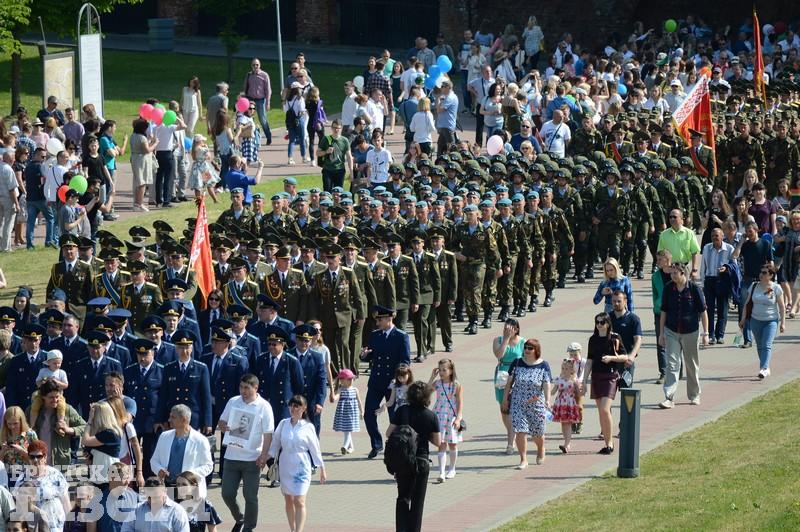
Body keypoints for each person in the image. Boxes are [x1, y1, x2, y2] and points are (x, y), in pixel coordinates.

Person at [218, 374, 274, 532]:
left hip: (252, 458)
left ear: (256, 388)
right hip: (231, 456)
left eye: (247, 388)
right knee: (227, 493)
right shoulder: (233, 401)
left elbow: (268, 434)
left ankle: (249, 527)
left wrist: (264, 455)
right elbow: (221, 421)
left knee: (250, 496)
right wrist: (223, 426)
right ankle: (239, 518)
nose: (243, 391)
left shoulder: (264, 406)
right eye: (241, 387)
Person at [267, 395, 326, 532]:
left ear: (304, 408)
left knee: (299, 500)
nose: (292, 409)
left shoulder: (308, 427)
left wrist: (322, 468)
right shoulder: (283, 424)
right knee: (288, 499)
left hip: (301, 466)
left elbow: (315, 449)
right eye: (291, 406)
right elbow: (275, 444)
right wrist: (264, 458)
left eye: (296, 406)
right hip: (286, 464)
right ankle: (292, 529)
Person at [386, 381, 440, 532]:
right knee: (417, 502)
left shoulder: (402, 410)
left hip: (403, 461)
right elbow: (438, 442)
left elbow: (388, 433)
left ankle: (401, 529)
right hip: (421, 461)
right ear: (427, 397)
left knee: (402, 497)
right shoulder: (431, 416)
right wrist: (424, 435)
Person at [360, 305, 411, 459]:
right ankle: (376, 444)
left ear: (389, 319)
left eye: (380, 320)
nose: (377, 323)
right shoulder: (375, 335)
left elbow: (405, 361)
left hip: (393, 384)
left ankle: (396, 445)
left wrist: (398, 377)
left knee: (394, 416)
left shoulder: (401, 336)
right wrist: (364, 355)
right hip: (376, 381)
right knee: (369, 414)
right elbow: (371, 354)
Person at [658, 262, 708, 409]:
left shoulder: (694, 289)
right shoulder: (668, 288)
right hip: (671, 331)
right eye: (671, 273)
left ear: (683, 273)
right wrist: (661, 333)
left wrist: (706, 333)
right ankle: (669, 397)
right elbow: (663, 311)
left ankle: (694, 395)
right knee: (672, 364)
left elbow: (703, 312)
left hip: (691, 332)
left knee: (691, 365)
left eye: (675, 273)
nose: (672, 276)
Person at [501, 338, 551, 468]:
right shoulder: (517, 362)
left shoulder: (543, 365)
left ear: (536, 350)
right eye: (525, 347)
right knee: (520, 430)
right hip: (518, 402)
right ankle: (523, 459)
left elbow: (546, 384)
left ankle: (541, 449)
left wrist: (547, 400)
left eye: (530, 348)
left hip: (536, 403)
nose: (527, 350)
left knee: (538, 432)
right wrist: (505, 399)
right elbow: (509, 383)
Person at [581, 313, 626, 453]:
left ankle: (610, 443)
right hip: (596, 376)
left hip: (610, 376)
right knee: (601, 412)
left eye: (602, 322)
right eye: (597, 322)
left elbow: (625, 356)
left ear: (608, 323)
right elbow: (589, 361)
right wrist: (584, 380)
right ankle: (607, 444)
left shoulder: (615, 337)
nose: (599, 325)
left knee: (605, 409)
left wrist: (611, 358)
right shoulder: (593, 339)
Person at [150, 404, 213, 495]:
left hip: (189, 490)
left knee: (186, 505)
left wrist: (189, 475)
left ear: (184, 419)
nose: (169, 420)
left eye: (173, 417)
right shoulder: (164, 436)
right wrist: (159, 470)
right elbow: (154, 460)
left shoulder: (200, 440)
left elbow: (208, 466)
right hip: (167, 488)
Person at [733, 221, 774, 349]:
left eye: (750, 231)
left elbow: (771, 262)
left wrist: (770, 279)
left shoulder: (765, 244)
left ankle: (763, 335)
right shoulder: (745, 245)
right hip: (747, 280)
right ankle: (747, 339)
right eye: (746, 231)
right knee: (744, 308)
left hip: (762, 281)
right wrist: (741, 241)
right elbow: (734, 255)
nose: (748, 233)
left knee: (763, 307)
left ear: (756, 230)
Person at [12, 439, 70, 531]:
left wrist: (70, 524)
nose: (35, 460)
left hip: (56, 524)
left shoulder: (55, 474)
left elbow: (65, 502)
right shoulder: (22, 479)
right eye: (32, 457)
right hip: (35, 526)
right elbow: (18, 506)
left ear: (45, 457)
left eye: (39, 456)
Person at [740, 264, 785, 379]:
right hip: (755, 320)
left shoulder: (776, 288)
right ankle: (766, 367)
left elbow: (781, 306)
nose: (761, 275)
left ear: (771, 275)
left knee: (766, 345)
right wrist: (743, 318)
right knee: (760, 346)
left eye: (764, 273)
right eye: (761, 272)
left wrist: (783, 323)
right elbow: (747, 303)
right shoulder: (754, 286)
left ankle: (764, 368)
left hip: (771, 321)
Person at [491, 318, 524, 454]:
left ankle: (510, 443)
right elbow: (499, 355)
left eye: (509, 328)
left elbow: (527, 358)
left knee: (512, 409)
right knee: (504, 408)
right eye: (505, 328)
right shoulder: (498, 340)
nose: (506, 330)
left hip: (516, 374)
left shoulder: (523, 342)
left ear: (516, 329)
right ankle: (512, 432)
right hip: (502, 375)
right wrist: (506, 339)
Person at [429, 358, 463, 482]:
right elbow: (425, 392)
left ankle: (452, 469)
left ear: (451, 370)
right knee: (441, 444)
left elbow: (460, 402)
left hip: (451, 416)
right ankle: (441, 472)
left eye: (444, 370)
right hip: (439, 416)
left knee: (453, 444)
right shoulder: (437, 383)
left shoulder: (456, 385)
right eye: (440, 370)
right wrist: (432, 377)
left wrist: (458, 418)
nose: (442, 373)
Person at [700, 228, 735, 344]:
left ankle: (720, 335)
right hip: (710, 280)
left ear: (722, 236)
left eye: (717, 235)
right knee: (709, 309)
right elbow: (703, 266)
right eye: (713, 236)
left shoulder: (729, 249)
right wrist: (703, 282)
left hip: (723, 280)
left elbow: (734, 266)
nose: (714, 238)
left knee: (722, 309)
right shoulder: (706, 248)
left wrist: (726, 269)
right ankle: (710, 335)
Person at [122, 476, 190, 532]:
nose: (153, 501)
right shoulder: (136, 510)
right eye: (149, 498)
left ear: (165, 491)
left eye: (157, 497)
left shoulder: (177, 511)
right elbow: (126, 529)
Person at [81, 401, 122, 485]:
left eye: (93, 415)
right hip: (98, 476)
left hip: (109, 478)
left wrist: (89, 421)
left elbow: (85, 440)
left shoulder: (110, 433)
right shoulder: (99, 433)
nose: (92, 418)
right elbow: (89, 456)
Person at [609, 290, 642, 383]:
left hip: (626, 360)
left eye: (619, 301)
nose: (616, 303)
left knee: (626, 389)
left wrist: (632, 356)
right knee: (608, 390)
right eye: (614, 301)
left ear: (625, 301)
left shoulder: (633, 319)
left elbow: (638, 339)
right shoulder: (607, 318)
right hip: (610, 359)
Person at [658, 209, 701, 280]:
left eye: (674, 217)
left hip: (684, 268)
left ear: (681, 219)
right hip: (669, 269)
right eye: (670, 217)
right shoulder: (664, 234)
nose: (672, 219)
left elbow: (695, 252)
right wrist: (663, 268)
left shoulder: (689, 233)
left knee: (684, 287)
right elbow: (660, 253)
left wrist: (694, 270)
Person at [551, 358, 581, 453]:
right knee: (563, 424)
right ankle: (566, 442)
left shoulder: (574, 380)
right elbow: (553, 392)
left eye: (566, 369)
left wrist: (581, 390)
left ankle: (567, 444)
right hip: (560, 404)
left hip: (570, 404)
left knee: (568, 424)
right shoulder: (559, 379)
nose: (564, 370)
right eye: (563, 368)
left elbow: (579, 393)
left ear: (572, 370)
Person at [0, 406, 37, 483]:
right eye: (9, 424)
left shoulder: (30, 435)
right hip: (7, 475)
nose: (12, 427)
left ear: (21, 421)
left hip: (26, 475)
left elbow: (38, 458)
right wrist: (3, 451)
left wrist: (21, 451)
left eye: (15, 423)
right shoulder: (3, 435)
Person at [331, 368, 362, 454]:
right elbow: (336, 397)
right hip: (343, 413)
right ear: (342, 380)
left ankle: (345, 446)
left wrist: (362, 411)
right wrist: (333, 395)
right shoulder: (341, 389)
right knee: (347, 430)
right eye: (349, 379)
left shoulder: (355, 390)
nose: (351, 380)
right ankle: (351, 447)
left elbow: (359, 401)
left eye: (352, 379)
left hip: (352, 414)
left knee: (348, 430)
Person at [317, 119, 352, 193]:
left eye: (338, 128)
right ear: (331, 128)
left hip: (340, 170)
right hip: (327, 170)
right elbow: (317, 153)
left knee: (338, 192)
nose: (336, 130)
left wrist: (351, 172)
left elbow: (349, 157)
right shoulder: (325, 139)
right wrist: (326, 152)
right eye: (334, 127)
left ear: (341, 128)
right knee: (327, 192)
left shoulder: (345, 140)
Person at [243, 59, 272, 146]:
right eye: (253, 65)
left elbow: (268, 90)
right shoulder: (249, 75)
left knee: (262, 119)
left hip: (260, 100)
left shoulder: (264, 75)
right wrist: (244, 99)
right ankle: (250, 138)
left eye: (257, 65)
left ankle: (268, 136)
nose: (255, 66)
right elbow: (245, 87)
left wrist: (268, 102)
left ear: (260, 65)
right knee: (249, 119)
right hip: (250, 99)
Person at [285, 83, 307, 166]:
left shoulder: (288, 99)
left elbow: (286, 110)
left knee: (292, 140)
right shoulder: (300, 99)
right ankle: (303, 157)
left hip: (290, 121)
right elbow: (301, 110)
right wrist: (305, 112)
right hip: (299, 120)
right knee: (302, 139)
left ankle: (290, 158)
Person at [435, 79, 459, 154]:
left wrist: (439, 101)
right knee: (441, 145)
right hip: (445, 125)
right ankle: (439, 159)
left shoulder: (450, 98)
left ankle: (454, 159)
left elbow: (439, 110)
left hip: (447, 126)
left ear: (448, 87)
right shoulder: (447, 97)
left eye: (442, 87)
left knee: (451, 147)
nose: (441, 88)